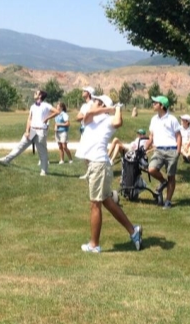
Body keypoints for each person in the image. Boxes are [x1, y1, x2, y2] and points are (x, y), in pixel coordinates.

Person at [75, 94, 142, 253]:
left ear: (102, 104)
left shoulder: (108, 121)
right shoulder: (91, 118)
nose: (93, 103)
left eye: (96, 101)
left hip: (99, 165)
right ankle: (134, 231)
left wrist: (116, 109)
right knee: (107, 202)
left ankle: (94, 245)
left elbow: (118, 121)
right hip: (94, 165)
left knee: (95, 204)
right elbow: (88, 114)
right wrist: (108, 108)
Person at [0, 90, 59, 175]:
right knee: (20, 146)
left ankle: (44, 171)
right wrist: (27, 131)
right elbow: (29, 119)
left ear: (40, 96)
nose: (34, 94)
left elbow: (57, 111)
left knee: (42, 151)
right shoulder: (33, 106)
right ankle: (6, 160)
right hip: (32, 130)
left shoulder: (46, 105)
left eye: (36, 93)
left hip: (41, 130)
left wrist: (47, 118)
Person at [148, 95, 182, 209]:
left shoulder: (172, 119)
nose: (153, 104)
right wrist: (145, 147)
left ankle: (168, 201)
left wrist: (178, 151)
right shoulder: (153, 119)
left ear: (162, 106)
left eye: (156, 103)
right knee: (151, 169)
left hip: (171, 150)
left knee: (171, 176)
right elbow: (151, 136)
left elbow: (178, 135)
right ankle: (163, 182)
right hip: (159, 150)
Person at [76, 86, 95, 179]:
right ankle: (89, 172)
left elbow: (89, 117)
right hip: (84, 129)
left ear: (89, 93)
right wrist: (84, 116)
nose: (82, 92)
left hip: (90, 130)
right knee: (85, 152)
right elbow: (78, 117)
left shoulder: (93, 104)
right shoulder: (84, 105)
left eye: (84, 91)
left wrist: (84, 116)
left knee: (89, 152)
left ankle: (91, 172)